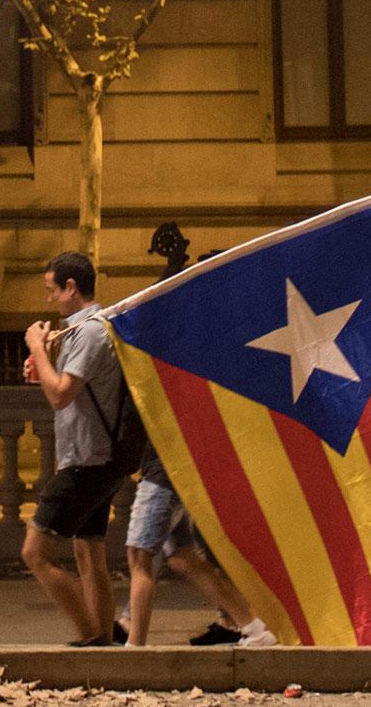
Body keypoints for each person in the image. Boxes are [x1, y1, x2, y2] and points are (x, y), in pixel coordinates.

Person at [20, 250, 129, 646]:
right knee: (89, 553)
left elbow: (61, 395)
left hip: (86, 461)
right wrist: (43, 367)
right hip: (98, 458)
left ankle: (87, 636)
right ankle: (102, 642)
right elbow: (68, 388)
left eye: (53, 290)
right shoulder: (86, 331)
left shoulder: (89, 332)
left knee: (35, 553)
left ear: (71, 287)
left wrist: (36, 347)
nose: (50, 300)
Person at [122, 444, 276, 648]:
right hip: (169, 471)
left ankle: (134, 645)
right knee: (183, 559)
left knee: (139, 556)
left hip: (159, 475)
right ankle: (253, 628)